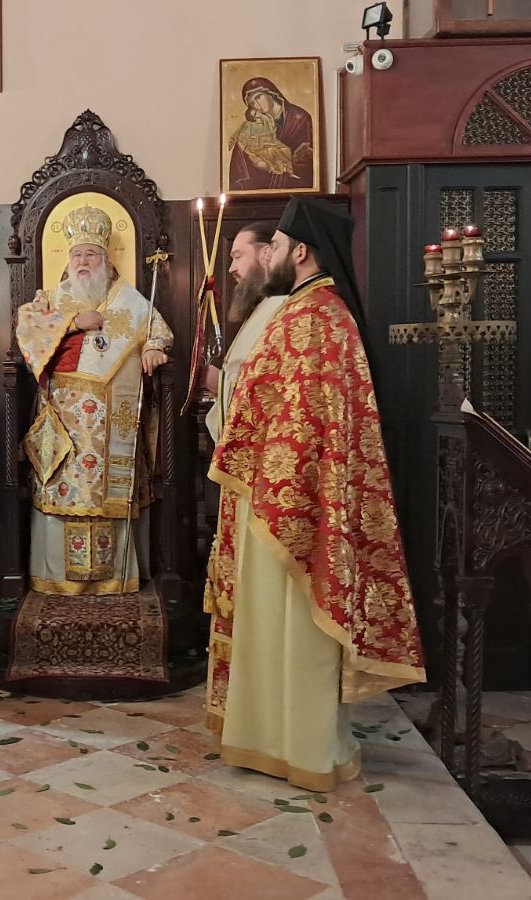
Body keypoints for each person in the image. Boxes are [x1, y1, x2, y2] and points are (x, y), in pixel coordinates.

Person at [204, 197, 425, 790]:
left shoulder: (312, 316)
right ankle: (272, 738)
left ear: (300, 251)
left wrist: (267, 479)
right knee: (277, 626)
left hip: (288, 500)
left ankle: (296, 745)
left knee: (291, 625)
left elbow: (296, 418)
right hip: (280, 491)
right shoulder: (316, 312)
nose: (269, 255)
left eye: (275, 246)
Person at [15, 205, 173, 596]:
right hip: (64, 420)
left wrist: (154, 347)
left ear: (105, 259)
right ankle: (58, 578)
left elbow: (158, 329)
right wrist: (72, 322)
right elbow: (27, 328)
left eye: (91, 254)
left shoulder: (129, 299)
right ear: (68, 260)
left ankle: (114, 578)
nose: (83, 262)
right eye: (77, 255)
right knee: (63, 492)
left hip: (113, 420)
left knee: (109, 495)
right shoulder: (51, 298)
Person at [207, 221, 284, 443]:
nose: (231, 268)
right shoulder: (264, 305)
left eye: (238, 256)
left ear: (265, 254)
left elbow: (272, 386)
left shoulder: (281, 308)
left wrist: (219, 383)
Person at [227, 78, 316, 192]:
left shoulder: (300, 118)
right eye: (252, 103)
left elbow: (308, 166)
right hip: (260, 184)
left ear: (271, 92)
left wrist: (271, 167)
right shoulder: (258, 123)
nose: (257, 105)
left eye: (258, 97)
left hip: (291, 188)